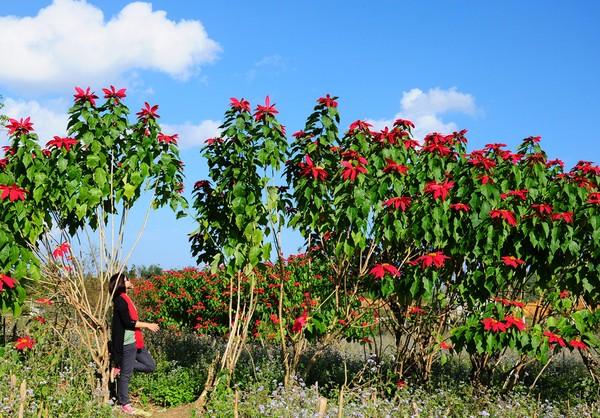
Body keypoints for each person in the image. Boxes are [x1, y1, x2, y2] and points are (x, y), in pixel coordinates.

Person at [109, 272, 159, 415]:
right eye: (127, 280)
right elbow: (128, 322)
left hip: (136, 341)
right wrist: (148, 325)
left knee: (150, 365)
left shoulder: (126, 298)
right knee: (126, 375)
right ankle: (124, 404)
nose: (130, 281)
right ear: (121, 283)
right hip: (128, 341)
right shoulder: (119, 299)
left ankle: (122, 367)